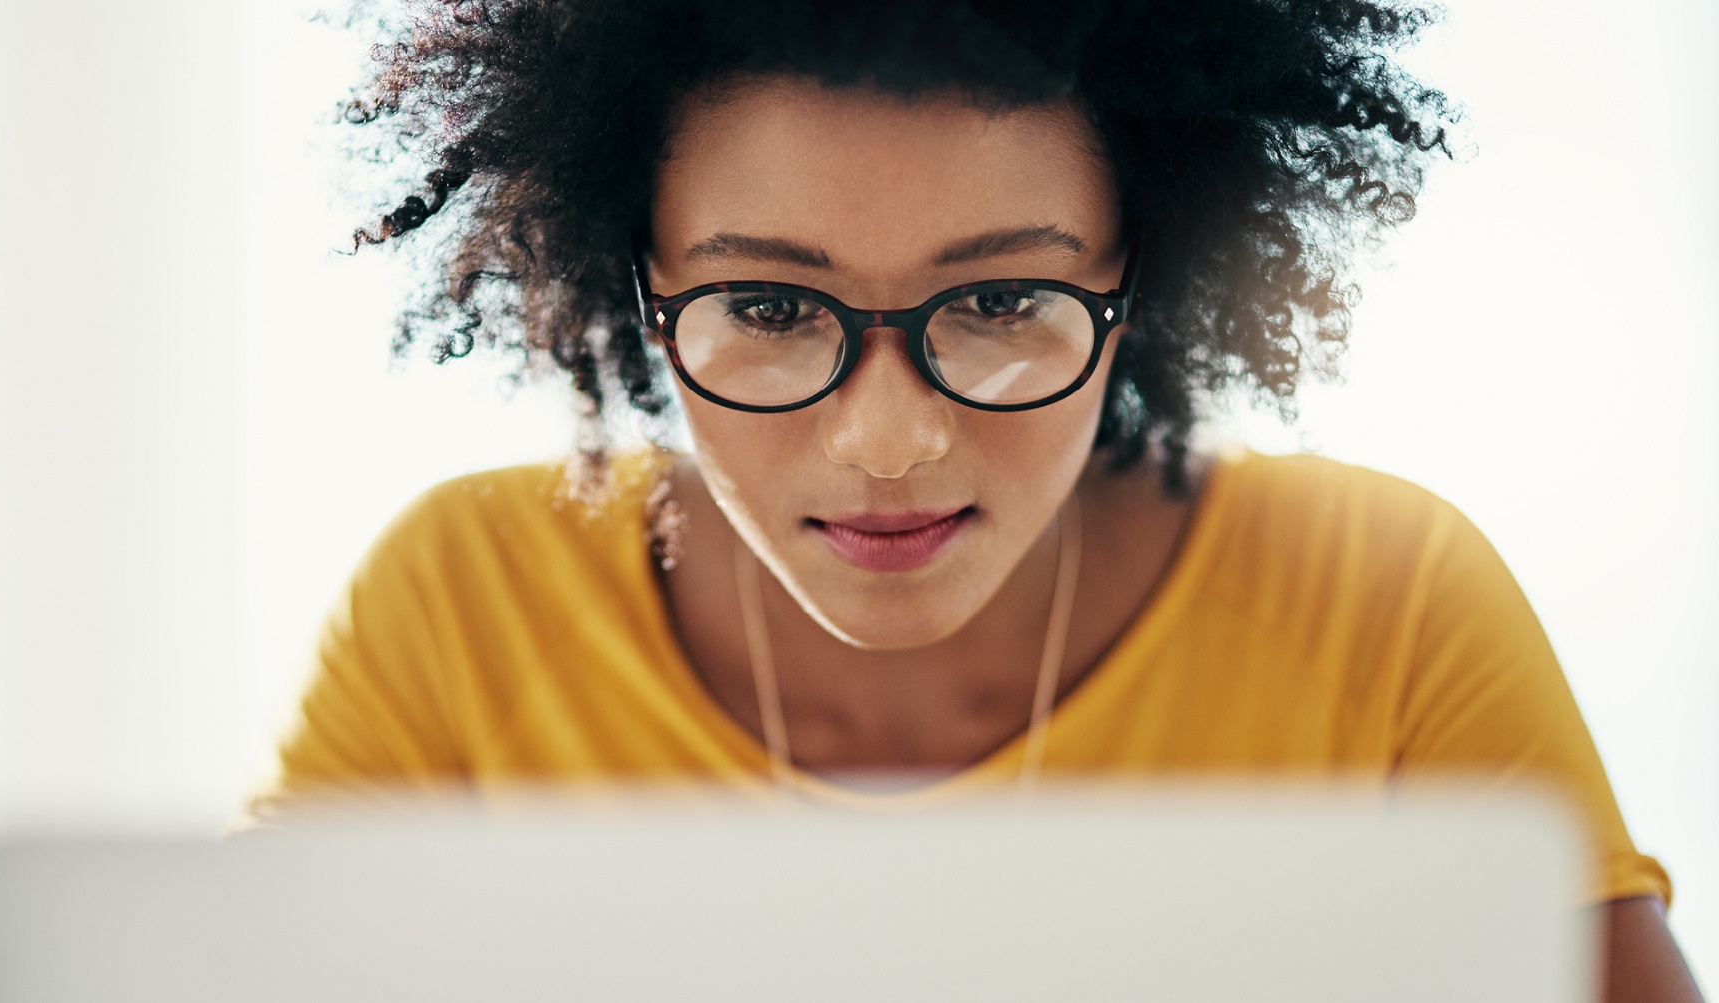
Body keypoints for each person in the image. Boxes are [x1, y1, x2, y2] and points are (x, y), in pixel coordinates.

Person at [243, 1, 1703, 997]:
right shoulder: (460, 605)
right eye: (768, 303)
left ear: (1144, 279)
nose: (889, 443)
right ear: (642, 290)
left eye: (1001, 297)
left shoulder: (1384, 602)